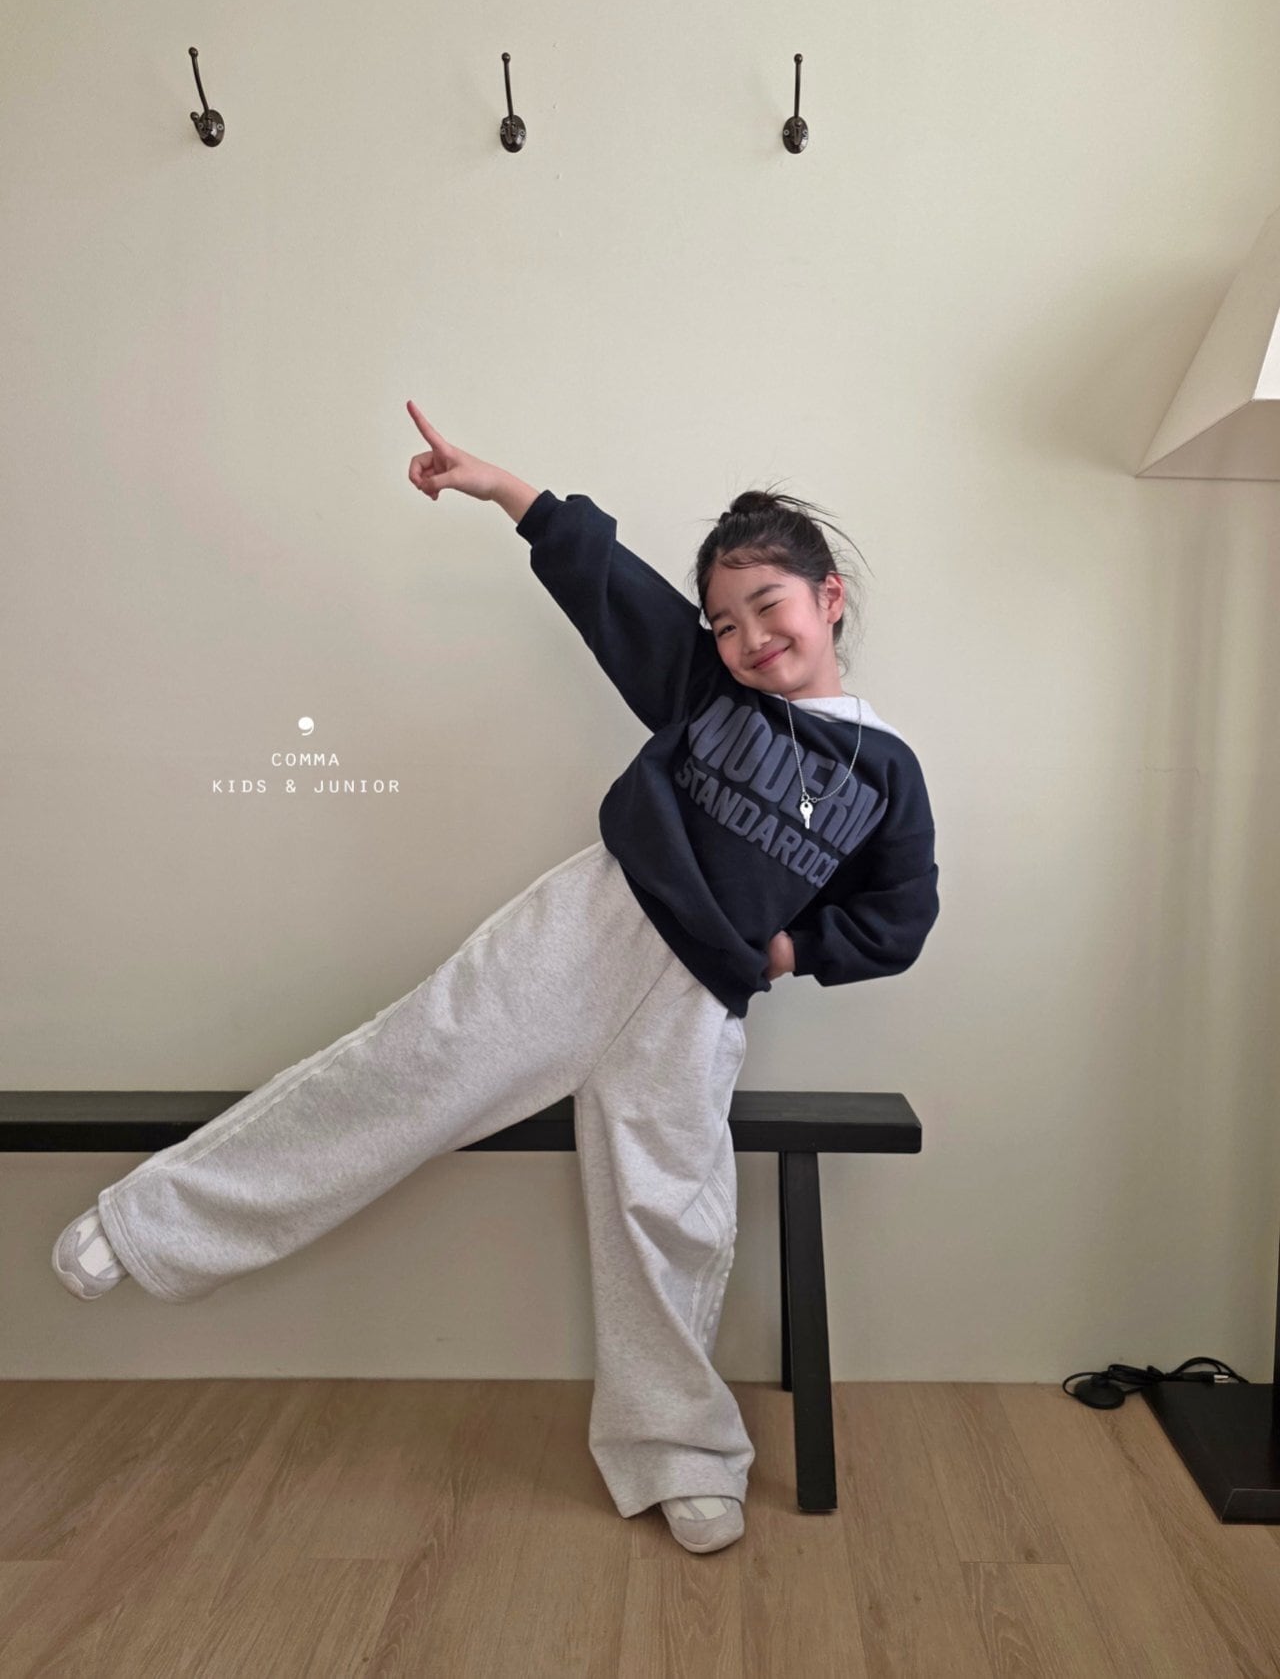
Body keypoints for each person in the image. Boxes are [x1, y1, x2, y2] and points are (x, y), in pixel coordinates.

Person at [51, 403, 941, 1555]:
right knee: (402, 1073)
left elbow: (898, 916)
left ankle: (681, 1455)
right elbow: (607, 588)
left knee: (667, 1217)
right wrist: (503, 490)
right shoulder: (708, 692)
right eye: (723, 622)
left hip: (694, 1007)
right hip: (585, 933)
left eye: (767, 606)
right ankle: (149, 1224)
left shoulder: (885, 772)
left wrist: (793, 952)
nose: (747, 638)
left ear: (827, 598)